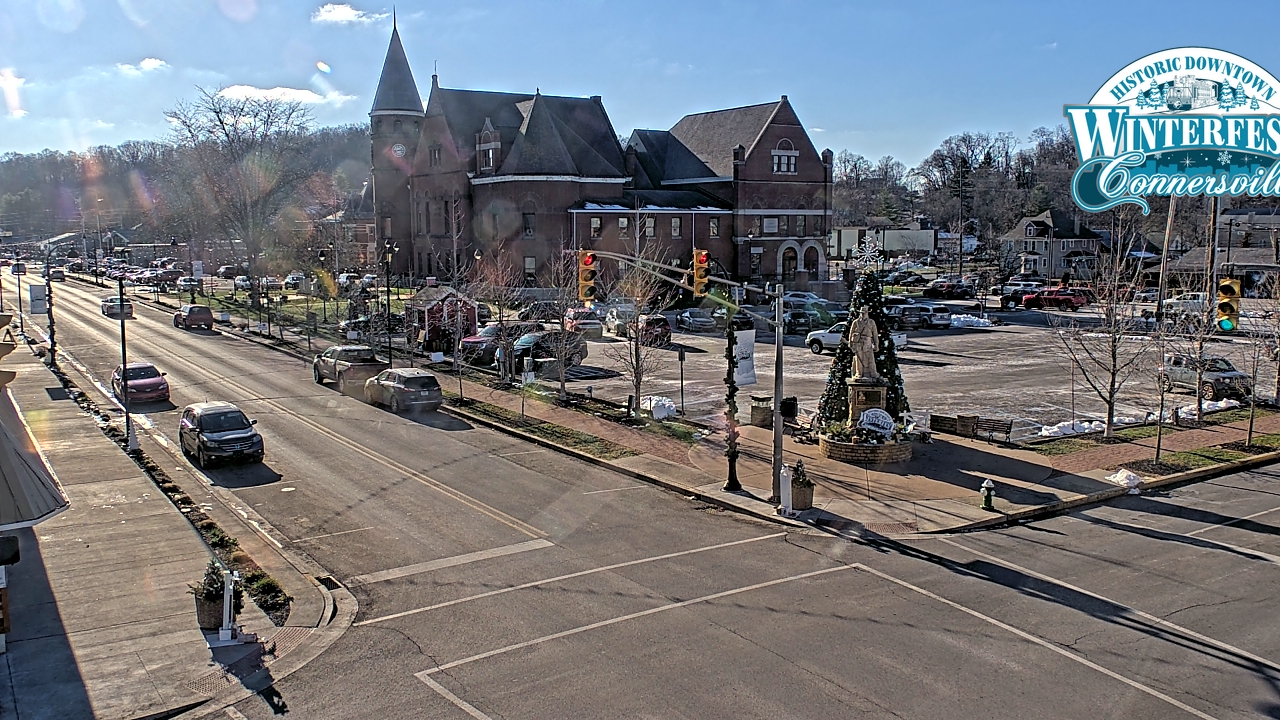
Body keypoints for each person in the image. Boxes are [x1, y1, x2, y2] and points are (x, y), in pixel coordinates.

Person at [849, 306, 880, 382]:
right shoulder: (856, 322)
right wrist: (850, 343)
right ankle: (859, 373)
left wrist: (876, 345)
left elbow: (875, 334)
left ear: (867, 313)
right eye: (862, 313)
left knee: (871, 358)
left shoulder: (871, 322)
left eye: (865, 313)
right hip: (858, 342)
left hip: (868, 342)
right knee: (859, 358)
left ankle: (873, 373)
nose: (863, 314)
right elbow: (851, 333)